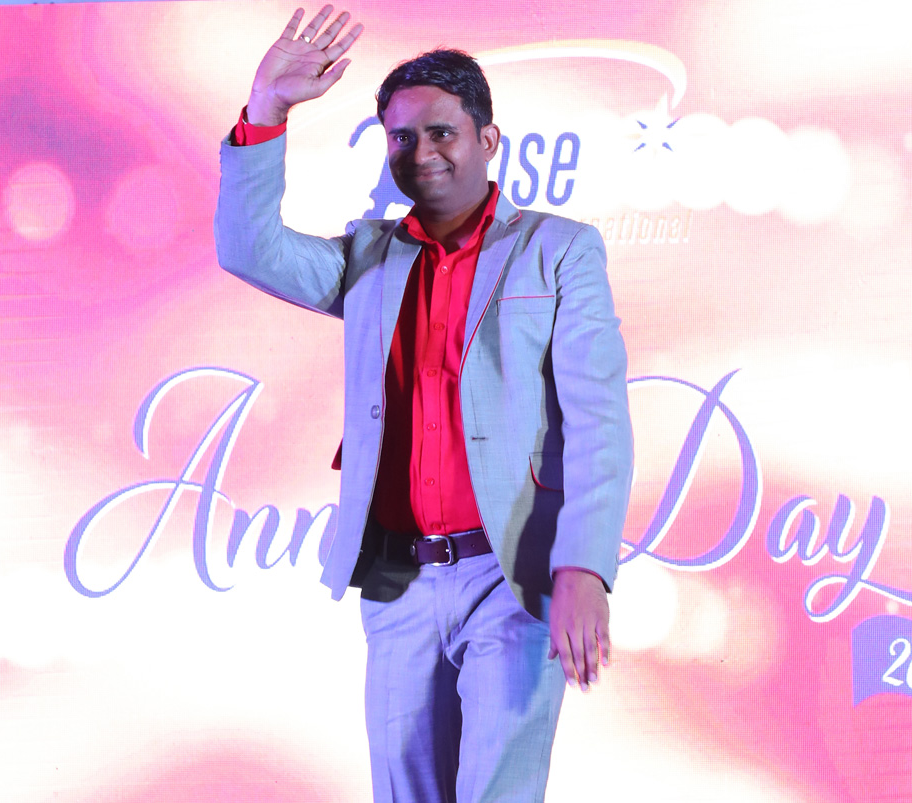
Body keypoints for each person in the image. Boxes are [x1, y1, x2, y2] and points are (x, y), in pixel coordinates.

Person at [215, 6, 633, 801]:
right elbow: (248, 248)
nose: (422, 152)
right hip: (397, 583)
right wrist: (266, 109)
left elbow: (598, 420)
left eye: (442, 132)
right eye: (401, 137)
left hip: (511, 577)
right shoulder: (368, 257)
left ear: (488, 138)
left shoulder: (559, 250)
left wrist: (584, 564)